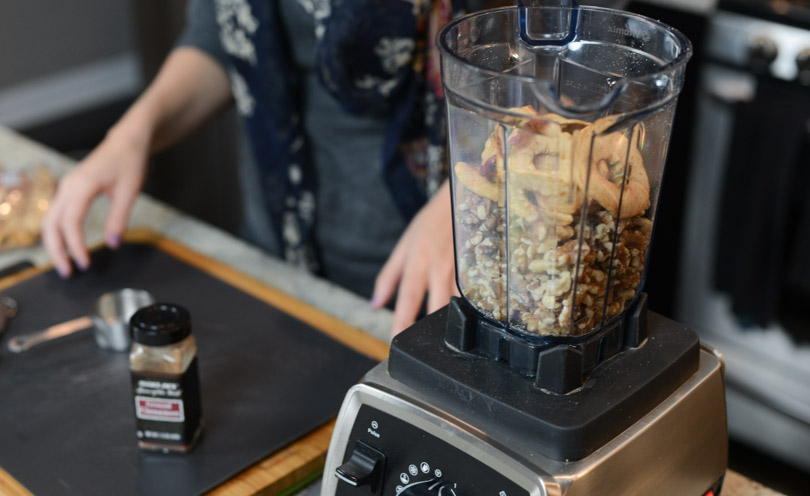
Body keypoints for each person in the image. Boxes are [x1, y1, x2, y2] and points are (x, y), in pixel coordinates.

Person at [41, 0, 464, 337]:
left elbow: (530, 78)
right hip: (277, 260)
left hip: (426, 271)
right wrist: (131, 134)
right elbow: (221, 39)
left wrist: (466, 196)